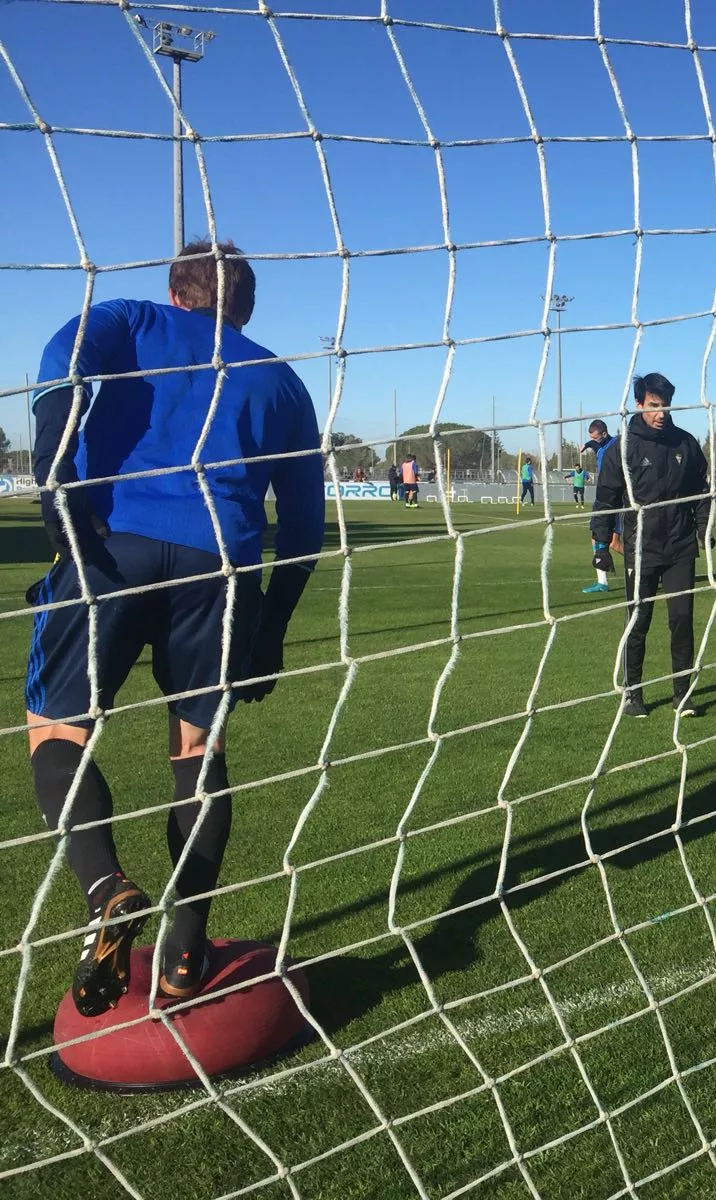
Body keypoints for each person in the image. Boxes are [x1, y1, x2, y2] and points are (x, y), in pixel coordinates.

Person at [24, 239, 324, 1015]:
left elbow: (64, 358)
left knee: (56, 730)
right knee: (198, 748)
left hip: (108, 551)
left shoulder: (130, 318)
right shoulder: (283, 381)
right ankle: (185, 951)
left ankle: (107, 891)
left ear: (176, 289)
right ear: (246, 305)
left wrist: (56, 467)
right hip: (220, 569)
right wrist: (271, 627)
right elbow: (302, 529)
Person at [590, 372, 712, 718]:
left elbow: (700, 492)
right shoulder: (621, 448)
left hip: (679, 546)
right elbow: (606, 500)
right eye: (654, 406)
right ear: (639, 404)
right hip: (639, 547)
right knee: (638, 621)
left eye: (666, 406)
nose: (661, 413)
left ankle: (682, 694)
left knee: (682, 619)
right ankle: (633, 693)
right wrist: (601, 546)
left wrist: (703, 528)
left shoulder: (685, 443)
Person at [582, 420, 618, 594]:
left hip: (616, 499)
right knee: (596, 538)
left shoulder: (616, 446)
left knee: (615, 543)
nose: (593, 441)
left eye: (595, 438)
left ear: (604, 434)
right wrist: (587, 444)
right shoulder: (599, 445)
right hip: (601, 498)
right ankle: (602, 582)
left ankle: (649, 569)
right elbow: (593, 444)